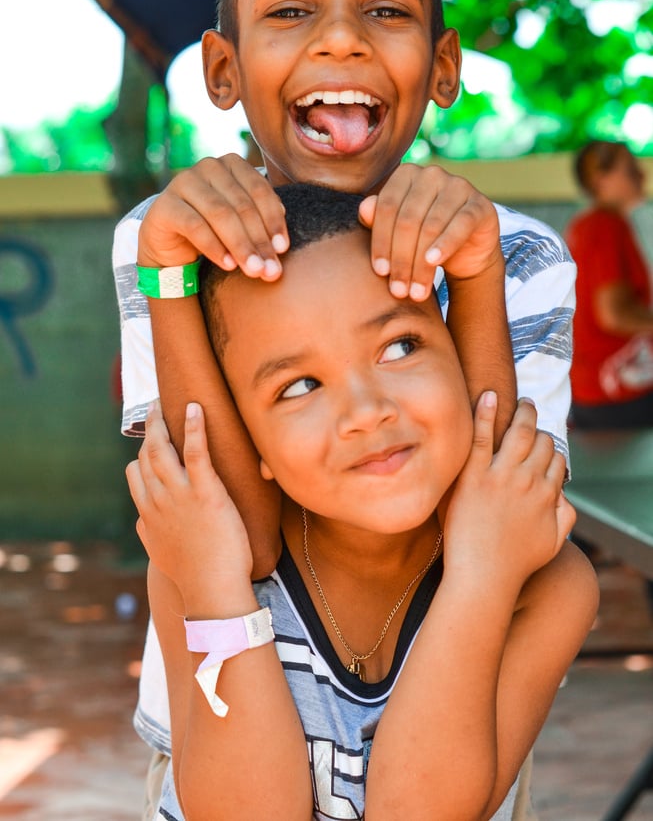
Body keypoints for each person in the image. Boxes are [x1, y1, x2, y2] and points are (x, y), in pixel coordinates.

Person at [111, 0, 576, 818]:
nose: (340, 43)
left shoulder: (514, 252)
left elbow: (490, 518)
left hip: (459, 724)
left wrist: (476, 273)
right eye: (289, 10)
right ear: (224, 71)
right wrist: (165, 263)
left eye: (385, 9)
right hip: (227, 713)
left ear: (442, 67)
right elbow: (228, 530)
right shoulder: (171, 244)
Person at [126, 182, 598, 821]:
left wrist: (482, 577)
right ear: (249, 439)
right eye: (299, 386)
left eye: (400, 347)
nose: (366, 412)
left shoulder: (546, 590)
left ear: (460, 360)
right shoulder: (200, 565)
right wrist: (213, 586)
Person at [566, 139, 653, 428]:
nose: (641, 175)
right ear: (599, 179)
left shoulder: (588, 226)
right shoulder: (604, 226)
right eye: (630, 170)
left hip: (595, 390)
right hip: (612, 391)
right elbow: (614, 315)